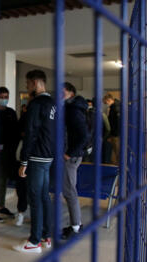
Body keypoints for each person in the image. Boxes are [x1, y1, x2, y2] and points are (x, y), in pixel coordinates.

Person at [14, 70, 55, 253]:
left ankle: (34, 241)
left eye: (28, 83)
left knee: (35, 198)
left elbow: (30, 133)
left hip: (37, 156)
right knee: (44, 196)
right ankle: (46, 236)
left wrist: (24, 161)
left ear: (36, 82)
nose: (26, 86)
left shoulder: (36, 104)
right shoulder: (53, 103)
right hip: (48, 156)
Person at [61, 82, 89, 239]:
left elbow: (84, 135)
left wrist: (69, 153)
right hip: (74, 155)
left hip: (71, 156)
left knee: (69, 191)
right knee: (69, 190)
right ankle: (76, 223)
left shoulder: (72, 110)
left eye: (62, 91)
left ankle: (76, 226)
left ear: (71, 93)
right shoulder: (75, 108)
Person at [0, 87, 27, 225]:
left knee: (3, 180)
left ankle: (1, 207)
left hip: (9, 153)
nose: (4, 98)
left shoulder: (11, 113)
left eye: (6, 96)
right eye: (2, 96)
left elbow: (15, 132)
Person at [103, 94, 121, 164]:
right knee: (116, 151)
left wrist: (112, 135)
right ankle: (116, 165)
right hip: (117, 133)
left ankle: (118, 166)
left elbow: (114, 123)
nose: (106, 104)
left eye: (106, 102)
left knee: (117, 151)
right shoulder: (117, 107)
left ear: (109, 100)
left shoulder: (114, 108)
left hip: (115, 134)